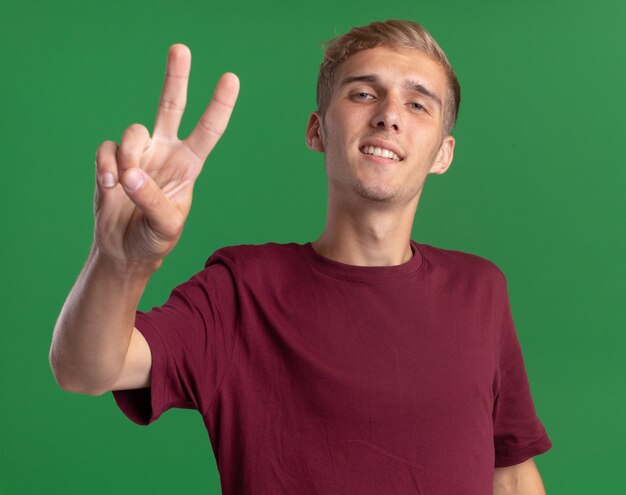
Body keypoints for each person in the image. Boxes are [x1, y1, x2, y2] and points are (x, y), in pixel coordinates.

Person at [50, 19, 552, 494]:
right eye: (362, 93)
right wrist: (119, 261)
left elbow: (510, 473)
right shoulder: (242, 290)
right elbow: (85, 369)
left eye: (418, 104)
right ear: (317, 131)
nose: (389, 114)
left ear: (443, 153)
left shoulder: (480, 290)